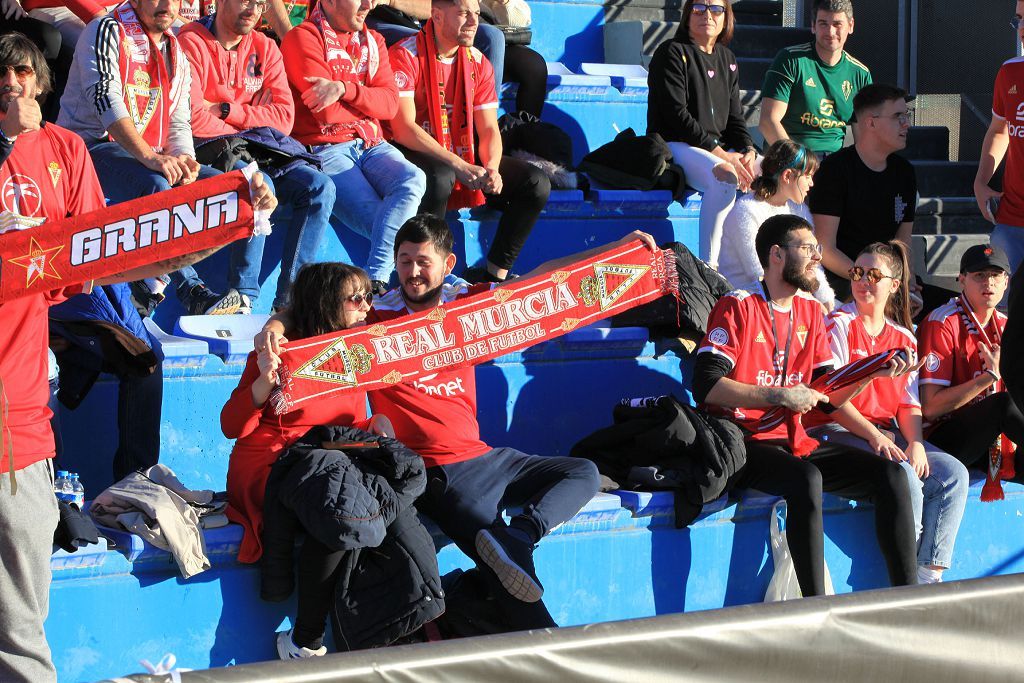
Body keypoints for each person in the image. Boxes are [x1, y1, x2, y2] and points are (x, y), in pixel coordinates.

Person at [0, 32, 274, 681]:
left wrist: (224, 216)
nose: (10, 86)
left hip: (20, 435)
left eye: (19, 74)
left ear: (38, 80)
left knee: (20, 635)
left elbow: (114, 253)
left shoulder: (63, 153)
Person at [694, 213, 919, 597]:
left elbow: (827, 396)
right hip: (744, 440)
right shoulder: (739, 304)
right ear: (777, 255)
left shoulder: (812, 310)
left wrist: (872, 373)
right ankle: (816, 605)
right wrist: (778, 395)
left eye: (818, 248)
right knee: (805, 479)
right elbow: (706, 384)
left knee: (892, 476)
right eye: (808, 248)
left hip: (794, 439)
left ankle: (910, 600)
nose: (818, 256)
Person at [222, 262, 398, 659]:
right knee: (341, 503)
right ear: (326, 303)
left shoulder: (351, 349)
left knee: (374, 499)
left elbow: (350, 423)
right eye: (357, 299)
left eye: (369, 297)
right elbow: (231, 425)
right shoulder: (280, 350)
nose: (367, 307)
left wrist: (376, 422)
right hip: (272, 465)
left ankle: (364, 630)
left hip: (328, 465)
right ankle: (309, 639)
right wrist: (264, 383)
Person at [58, 0, 247, 316]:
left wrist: (185, 159)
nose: (167, 4)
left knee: (239, 190)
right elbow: (105, 99)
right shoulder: (106, 29)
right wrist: (150, 157)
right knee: (157, 184)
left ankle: (244, 301)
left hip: (149, 154)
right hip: (89, 149)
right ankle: (191, 290)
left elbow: (178, 118)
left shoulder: (175, 47)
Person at [804, 241, 968, 584]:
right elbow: (830, 400)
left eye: (874, 275)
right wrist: (877, 436)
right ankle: (906, 573)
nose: (863, 280)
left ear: (895, 285)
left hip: (881, 430)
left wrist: (917, 442)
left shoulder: (904, 336)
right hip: (832, 429)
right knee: (904, 474)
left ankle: (928, 575)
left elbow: (908, 404)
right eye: (857, 272)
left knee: (953, 474)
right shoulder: (837, 324)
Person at [179, 0, 338, 311]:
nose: (253, 8)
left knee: (320, 187)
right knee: (256, 181)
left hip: (262, 146)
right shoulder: (191, 41)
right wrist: (255, 112)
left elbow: (284, 118)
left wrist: (227, 109)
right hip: (213, 148)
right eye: (244, 0)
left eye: (260, 2)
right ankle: (244, 296)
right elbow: (193, 117)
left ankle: (291, 304)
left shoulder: (265, 46)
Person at [386, 0, 549, 283]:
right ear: (436, 16)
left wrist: (492, 167)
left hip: (458, 151)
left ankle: (493, 275)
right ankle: (428, 280)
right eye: (463, 14)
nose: (474, 21)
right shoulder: (405, 54)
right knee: (440, 176)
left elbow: (488, 129)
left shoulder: (477, 61)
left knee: (536, 183)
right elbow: (403, 129)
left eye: (475, 13)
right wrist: (459, 164)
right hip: (410, 148)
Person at [280, 0, 425, 293]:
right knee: (385, 222)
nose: (369, 5)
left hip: (371, 142)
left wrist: (345, 89)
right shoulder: (302, 38)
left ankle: (375, 282)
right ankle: (408, 288)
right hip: (324, 148)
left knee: (415, 178)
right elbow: (326, 113)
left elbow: (389, 104)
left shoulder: (374, 41)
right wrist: (367, 101)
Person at [646, 0, 757, 270]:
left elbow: (735, 119)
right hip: (675, 146)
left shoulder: (727, 59)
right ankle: (710, 268)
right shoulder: (671, 52)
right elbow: (677, 115)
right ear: (687, 14)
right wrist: (720, 153)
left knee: (774, 172)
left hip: (713, 149)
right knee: (724, 177)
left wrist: (748, 151)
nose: (707, 14)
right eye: (699, 7)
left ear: (726, 17)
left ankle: (759, 269)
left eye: (716, 8)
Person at [918, 243, 1024, 478]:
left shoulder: (1007, 325)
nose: (989, 283)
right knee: (1003, 405)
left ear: (1007, 282)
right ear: (962, 279)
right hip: (941, 440)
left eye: (996, 275)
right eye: (979, 275)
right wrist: (990, 377)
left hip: (994, 440)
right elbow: (931, 408)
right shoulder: (942, 322)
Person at [807, 83, 919, 302]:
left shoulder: (905, 172)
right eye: (898, 116)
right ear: (871, 123)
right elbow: (825, 249)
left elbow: (903, 241)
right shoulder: (835, 170)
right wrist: (867, 279)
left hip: (887, 281)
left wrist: (908, 281)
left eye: (907, 116)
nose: (906, 124)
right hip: (844, 281)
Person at [718, 139, 835, 309]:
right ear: (788, 176)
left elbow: (812, 266)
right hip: (748, 304)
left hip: (790, 297)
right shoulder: (746, 210)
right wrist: (812, 305)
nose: (812, 183)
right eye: (807, 176)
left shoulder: (800, 210)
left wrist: (826, 302)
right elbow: (759, 273)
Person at [759, 0, 871, 158]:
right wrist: (799, 162)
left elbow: (864, 137)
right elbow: (768, 122)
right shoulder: (791, 60)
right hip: (788, 160)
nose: (830, 32)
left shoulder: (860, 74)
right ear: (813, 26)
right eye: (823, 23)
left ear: (851, 25)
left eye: (837, 24)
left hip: (834, 163)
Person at [973, 1, 1024, 275]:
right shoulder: (1010, 72)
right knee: (1001, 313)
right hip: (1011, 219)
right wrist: (981, 181)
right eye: (1019, 19)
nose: (1022, 28)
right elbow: (998, 130)